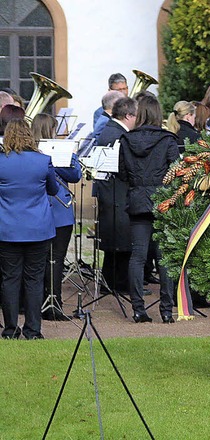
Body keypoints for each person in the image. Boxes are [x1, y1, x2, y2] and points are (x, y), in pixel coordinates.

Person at [118, 94, 179, 323]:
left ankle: (138, 309)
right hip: (163, 201)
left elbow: (123, 174)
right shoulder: (168, 140)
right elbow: (176, 172)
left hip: (137, 199)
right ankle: (166, 309)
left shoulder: (126, 139)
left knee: (138, 256)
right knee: (164, 258)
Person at [0, 119, 59, 339]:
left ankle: (10, 329)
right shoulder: (43, 161)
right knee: (34, 279)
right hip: (38, 228)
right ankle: (33, 330)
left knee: (10, 279)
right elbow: (53, 190)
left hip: (7, 228)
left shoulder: (1, 161)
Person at [31, 114, 83, 321]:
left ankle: (52, 302)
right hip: (51, 210)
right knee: (50, 259)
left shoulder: (53, 151)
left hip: (51, 211)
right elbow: (73, 172)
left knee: (51, 259)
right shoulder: (35, 152)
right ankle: (49, 305)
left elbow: (75, 175)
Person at [95, 97, 138, 295]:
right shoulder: (118, 134)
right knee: (119, 241)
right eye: (136, 116)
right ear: (128, 115)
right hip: (116, 193)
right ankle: (118, 283)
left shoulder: (112, 130)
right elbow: (123, 168)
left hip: (112, 193)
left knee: (116, 241)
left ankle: (113, 281)